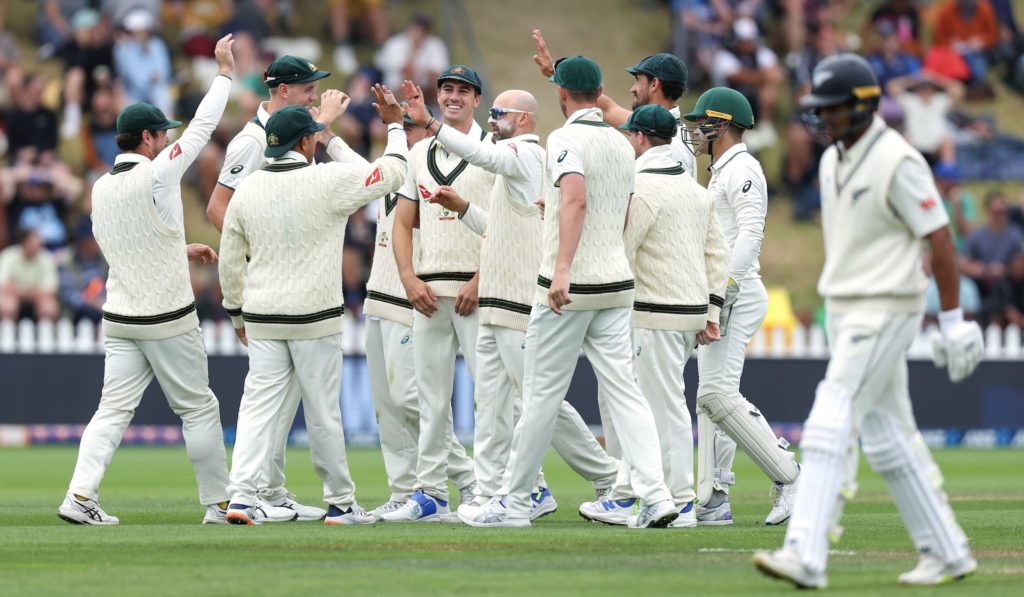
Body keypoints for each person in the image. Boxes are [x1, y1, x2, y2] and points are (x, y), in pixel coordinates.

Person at [754, 53, 983, 589]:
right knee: (886, 438)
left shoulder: (898, 160)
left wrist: (951, 320)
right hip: (848, 308)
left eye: (832, 111)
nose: (823, 120)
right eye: (820, 110)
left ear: (861, 108)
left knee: (831, 414)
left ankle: (805, 554)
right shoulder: (833, 159)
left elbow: (940, 237)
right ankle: (946, 552)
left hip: (887, 307)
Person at [457, 56, 677, 529]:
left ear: (560, 93)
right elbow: (613, 208)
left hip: (570, 287)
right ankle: (656, 496)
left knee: (539, 396)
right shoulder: (622, 143)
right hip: (616, 282)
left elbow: (575, 198)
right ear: (598, 92)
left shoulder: (564, 139)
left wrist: (561, 269)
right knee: (625, 393)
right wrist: (555, 207)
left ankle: (515, 504)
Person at [401, 82, 619, 518]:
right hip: (495, 303)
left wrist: (430, 123)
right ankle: (489, 490)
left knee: (540, 402)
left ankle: (606, 477)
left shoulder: (526, 155)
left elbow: (481, 154)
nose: (492, 119)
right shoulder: (514, 167)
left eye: (500, 112)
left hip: (519, 300)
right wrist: (463, 207)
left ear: (523, 120)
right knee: (494, 405)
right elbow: (497, 229)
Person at [57, 34, 237, 526]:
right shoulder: (156, 174)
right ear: (147, 139)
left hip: (120, 318)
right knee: (199, 409)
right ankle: (219, 505)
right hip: (167, 317)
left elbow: (127, 246)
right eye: (161, 135)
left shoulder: (100, 187)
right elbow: (201, 130)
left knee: (111, 411)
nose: (166, 141)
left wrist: (179, 249)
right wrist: (223, 73)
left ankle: (79, 495)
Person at [218, 85, 409, 526]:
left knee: (257, 409)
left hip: (263, 316)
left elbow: (231, 261)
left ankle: (242, 497)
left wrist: (236, 313)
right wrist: (395, 127)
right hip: (314, 318)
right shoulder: (326, 179)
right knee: (322, 413)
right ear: (306, 143)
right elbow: (393, 174)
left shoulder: (246, 191)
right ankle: (341, 503)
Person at [205, 55, 362, 523]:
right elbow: (220, 209)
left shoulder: (284, 135)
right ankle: (273, 493)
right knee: (297, 405)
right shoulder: (252, 142)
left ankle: (263, 492)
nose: (315, 95)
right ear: (283, 91)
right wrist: (271, 260)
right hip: (288, 295)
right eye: (307, 88)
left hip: (270, 302)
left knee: (273, 402)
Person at [576, 105, 729, 528]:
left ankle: (678, 501)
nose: (628, 142)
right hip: (688, 313)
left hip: (653, 312)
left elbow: (623, 248)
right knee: (654, 405)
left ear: (641, 139)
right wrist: (712, 310)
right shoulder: (698, 192)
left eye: (630, 136)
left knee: (658, 409)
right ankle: (630, 494)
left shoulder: (641, 188)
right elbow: (717, 255)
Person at [682, 87, 800, 526]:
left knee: (716, 395)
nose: (696, 132)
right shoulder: (720, 171)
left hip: (736, 292)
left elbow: (750, 235)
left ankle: (789, 474)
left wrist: (720, 295)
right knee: (710, 399)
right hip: (722, 293)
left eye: (702, 124)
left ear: (722, 124)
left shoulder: (744, 168)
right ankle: (714, 496)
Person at [382, 65, 492, 523]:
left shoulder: (493, 151)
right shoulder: (420, 151)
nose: (453, 97)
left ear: (476, 100)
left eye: (463, 91)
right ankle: (429, 492)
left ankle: (492, 489)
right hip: (428, 290)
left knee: (491, 395)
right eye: (446, 89)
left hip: (479, 291)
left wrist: (481, 279)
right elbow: (401, 222)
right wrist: (408, 278)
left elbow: (511, 224)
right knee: (430, 398)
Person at [361, 107, 479, 520]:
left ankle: (468, 479)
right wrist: (328, 136)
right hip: (379, 298)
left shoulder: (442, 164)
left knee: (411, 397)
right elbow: (353, 168)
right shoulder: (393, 171)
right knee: (388, 408)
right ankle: (405, 489)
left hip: (414, 297)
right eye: (401, 130)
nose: (406, 136)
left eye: (411, 128)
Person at [531, 32, 696, 180]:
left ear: (654, 84)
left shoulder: (669, 141)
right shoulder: (659, 127)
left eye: (638, 80)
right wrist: (557, 73)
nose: (632, 88)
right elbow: (608, 109)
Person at [959, 191, 1024, 300]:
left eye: (1002, 212)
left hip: (1009, 286)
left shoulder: (1015, 235)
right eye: (995, 212)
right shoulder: (976, 235)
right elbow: (963, 264)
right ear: (988, 211)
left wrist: (1006, 270)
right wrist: (986, 270)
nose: (999, 216)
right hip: (981, 286)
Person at [0, 228, 59, 322]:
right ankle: (6, 335)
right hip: (13, 298)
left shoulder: (46, 258)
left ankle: (45, 335)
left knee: (49, 308)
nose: (38, 246)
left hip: (38, 300)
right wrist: (32, 292)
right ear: (23, 243)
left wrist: (20, 291)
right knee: (8, 307)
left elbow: (50, 291)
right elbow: (4, 286)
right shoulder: (8, 256)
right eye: (34, 243)